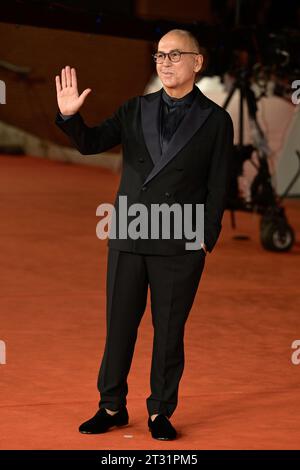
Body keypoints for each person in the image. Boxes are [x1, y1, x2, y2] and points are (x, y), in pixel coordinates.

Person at [55, 29, 234, 440]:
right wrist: (69, 117)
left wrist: (204, 238)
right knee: (119, 326)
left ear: (197, 62)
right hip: (130, 234)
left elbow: (219, 184)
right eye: (159, 56)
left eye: (175, 55)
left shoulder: (216, 121)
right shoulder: (135, 108)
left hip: (180, 243)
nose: (166, 62)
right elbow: (91, 143)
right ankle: (111, 405)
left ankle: (159, 412)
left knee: (169, 331)